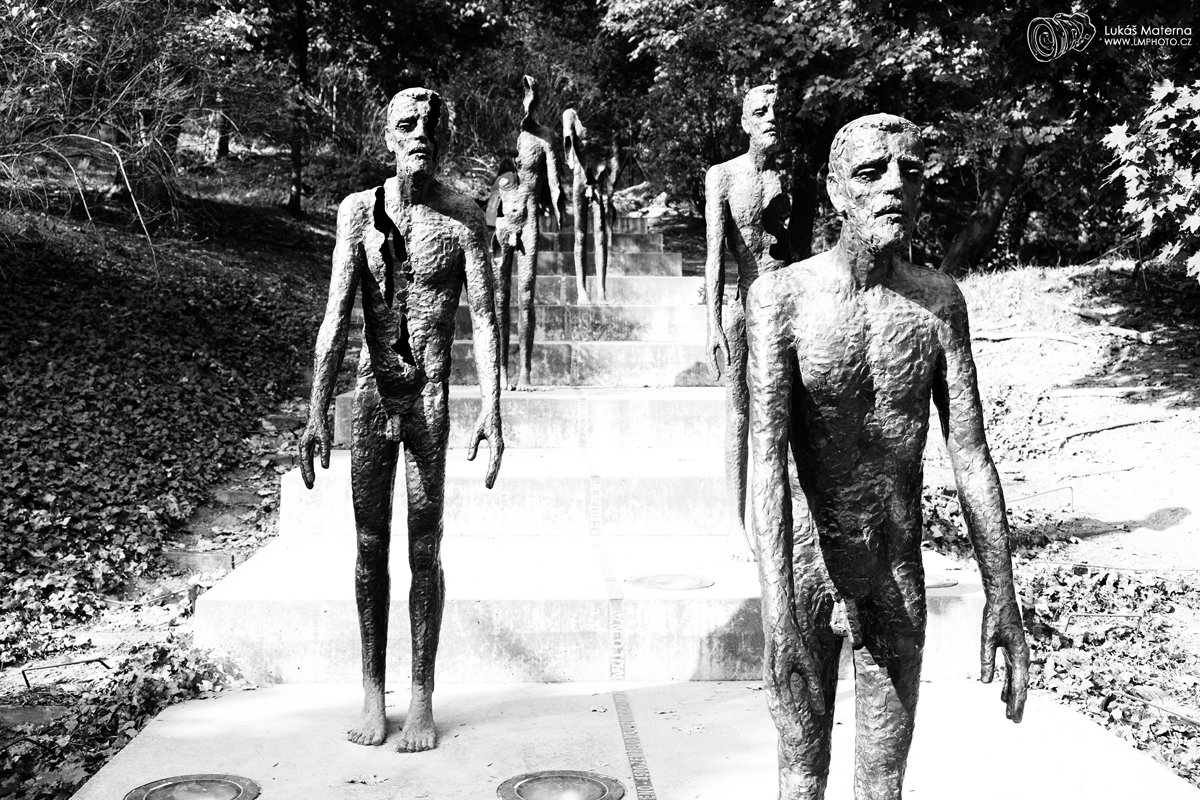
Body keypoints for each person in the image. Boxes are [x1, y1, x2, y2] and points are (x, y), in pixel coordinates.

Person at [746, 113, 1029, 799]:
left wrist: (1003, 596)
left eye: (910, 172)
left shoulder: (938, 303)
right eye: (872, 173)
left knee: (883, 783)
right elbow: (767, 463)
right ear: (836, 190)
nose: (895, 186)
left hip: (895, 569)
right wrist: (777, 611)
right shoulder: (780, 299)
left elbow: (971, 457)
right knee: (801, 771)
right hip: (808, 566)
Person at [298, 87, 504, 753]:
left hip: (429, 401)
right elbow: (336, 316)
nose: (420, 135)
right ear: (388, 137)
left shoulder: (463, 217)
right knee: (368, 546)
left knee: (424, 548)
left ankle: (421, 696)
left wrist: (493, 408)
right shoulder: (359, 212)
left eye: (429, 126)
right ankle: (371, 691)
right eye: (407, 125)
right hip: (372, 394)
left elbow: (486, 319)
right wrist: (315, 409)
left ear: (442, 138)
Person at [704, 84, 794, 558]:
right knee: (740, 413)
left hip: (784, 307)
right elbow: (714, 255)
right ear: (744, 123)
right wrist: (713, 323)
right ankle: (734, 522)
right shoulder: (722, 176)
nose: (770, 118)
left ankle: (776, 519)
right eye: (760, 112)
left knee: (779, 415)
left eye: (775, 110)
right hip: (744, 306)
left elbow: (793, 253)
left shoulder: (787, 175)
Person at [494, 75, 564, 390]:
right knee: (499, 298)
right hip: (504, 220)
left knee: (525, 296)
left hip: (529, 221)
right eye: (525, 93)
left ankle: (524, 372)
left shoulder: (546, 137)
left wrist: (560, 209)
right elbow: (496, 187)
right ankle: (500, 371)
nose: (529, 100)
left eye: (533, 93)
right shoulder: (508, 136)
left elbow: (554, 181)